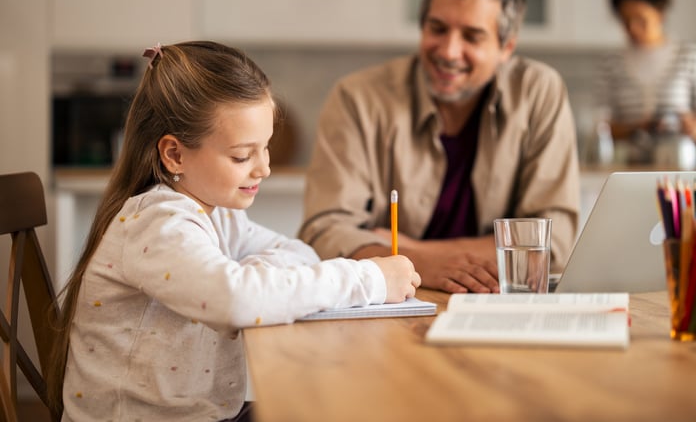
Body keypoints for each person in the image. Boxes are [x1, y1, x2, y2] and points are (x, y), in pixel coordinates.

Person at [47, 41, 420, 421]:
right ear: (174, 154)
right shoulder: (157, 223)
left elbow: (298, 252)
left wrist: (250, 277)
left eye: (266, 148)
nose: (264, 169)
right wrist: (369, 278)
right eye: (242, 156)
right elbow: (236, 301)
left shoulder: (218, 214)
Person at [299, 0, 580, 294]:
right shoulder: (356, 98)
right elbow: (323, 232)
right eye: (438, 28)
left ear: (506, 47)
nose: (448, 51)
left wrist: (414, 254)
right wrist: (429, 264)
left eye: (472, 36)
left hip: (498, 307)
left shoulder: (539, 92)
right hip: (389, 311)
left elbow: (553, 245)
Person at [597, 0, 696, 163]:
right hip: (629, 168)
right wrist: (636, 128)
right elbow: (602, 127)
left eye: (641, 19)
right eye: (626, 21)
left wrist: (692, 127)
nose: (633, 28)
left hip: (678, 167)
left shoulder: (690, 55)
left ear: (661, 12)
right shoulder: (611, 62)